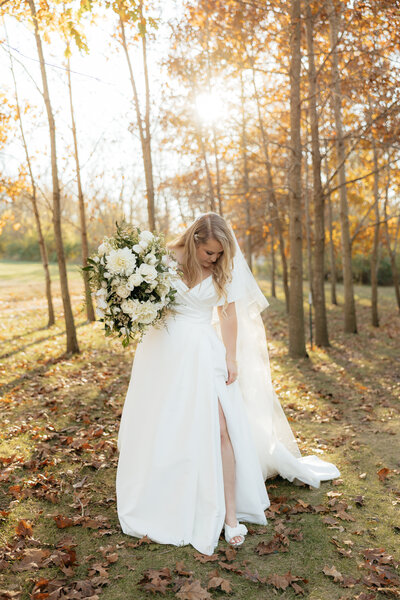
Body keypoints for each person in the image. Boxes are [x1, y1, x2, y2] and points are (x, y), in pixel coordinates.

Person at [116, 212, 340, 555]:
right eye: (209, 252)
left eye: (219, 253)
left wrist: (230, 357)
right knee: (167, 424)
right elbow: (144, 301)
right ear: (193, 242)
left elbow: (228, 314)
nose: (215, 258)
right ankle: (168, 496)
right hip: (163, 352)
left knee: (222, 429)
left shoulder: (223, 268)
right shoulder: (160, 260)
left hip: (205, 353)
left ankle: (231, 514)